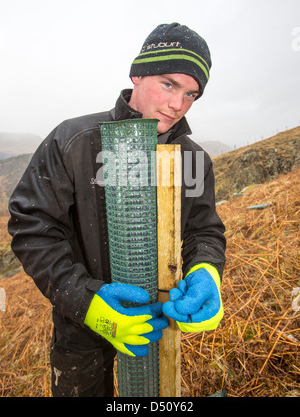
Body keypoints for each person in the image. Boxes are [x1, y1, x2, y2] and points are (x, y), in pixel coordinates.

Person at [8, 22, 226, 397]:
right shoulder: (74, 140)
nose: (178, 105)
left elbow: (203, 231)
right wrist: (86, 300)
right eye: (169, 84)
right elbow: (32, 225)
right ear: (137, 74)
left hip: (157, 326)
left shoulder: (193, 159)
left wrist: (207, 270)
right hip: (80, 328)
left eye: (191, 94)